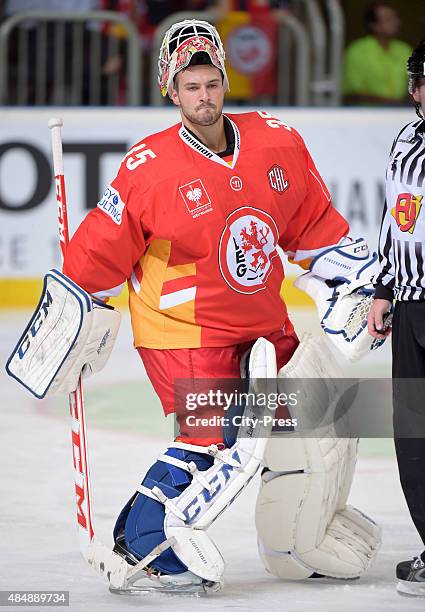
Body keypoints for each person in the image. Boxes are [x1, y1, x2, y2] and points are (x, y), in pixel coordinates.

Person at [45, 20, 380, 593]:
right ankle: (146, 541)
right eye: (191, 87)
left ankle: (300, 541)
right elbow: (99, 251)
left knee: (310, 422)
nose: (204, 97)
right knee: (215, 436)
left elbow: (312, 230)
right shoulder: (148, 168)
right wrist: (72, 312)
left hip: (261, 321)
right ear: (171, 92)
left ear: (225, 83)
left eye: (212, 83)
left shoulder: (276, 141)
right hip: (183, 329)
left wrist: (359, 280)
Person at [368, 39, 425, 598]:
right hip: (410, 308)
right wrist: (384, 289)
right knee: (413, 430)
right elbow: (394, 221)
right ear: (414, 88)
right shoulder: (405, 140)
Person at [343, 2, 412, 106]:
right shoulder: (357, 51)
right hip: (366, 115)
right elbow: (352, 94)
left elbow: (416, 84)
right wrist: (392, 103)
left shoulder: (404, 49)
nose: (396, 22)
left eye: (396, 18)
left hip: (401, 114)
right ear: (373, 25)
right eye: (389, 19)